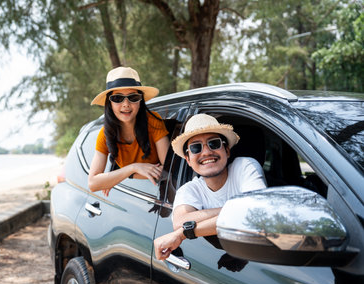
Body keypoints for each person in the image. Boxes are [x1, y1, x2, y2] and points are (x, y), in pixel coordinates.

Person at [154, 113, 267, 260]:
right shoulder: (189, 190)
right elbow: (180, 222)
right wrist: (240, 209)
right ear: (188, 159)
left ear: (226, 150)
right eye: (196, 148)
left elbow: (258, 213)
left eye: (214, 143)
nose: (206, 152)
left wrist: (183, 234)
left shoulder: (244, 167)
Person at [88, 66, 170, 196]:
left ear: (140, 100)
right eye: (118, 99)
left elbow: (169, 170)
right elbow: (93, 183)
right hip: (129, 197)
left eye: (133, 97)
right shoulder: (105, 134)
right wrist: (134, 168)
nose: (126, 104)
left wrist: (117, 177)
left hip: (158, 194)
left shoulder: (153, 122)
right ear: (109, 103)